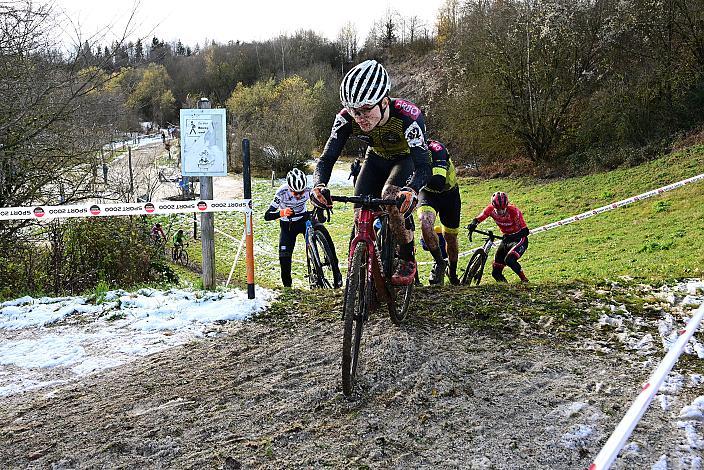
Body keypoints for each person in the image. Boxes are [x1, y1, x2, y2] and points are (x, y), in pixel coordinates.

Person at [310, 59, 431, 286]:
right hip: (375, 159)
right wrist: (318, 185)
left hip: (405, 160)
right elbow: (326, 158)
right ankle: (367, 265)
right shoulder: (346, 118)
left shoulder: (408, 116)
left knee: (389, 197)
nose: (360, 118)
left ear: (384, 102)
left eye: (366, 110)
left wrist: (412, 190)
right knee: (360, 215)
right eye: (355, 111)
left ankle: (406, 257)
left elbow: (425, 166)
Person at [265, 168, 342, 288]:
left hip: (304, 218)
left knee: (324, 232)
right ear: (289, 188)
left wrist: (323, 208)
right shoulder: (281, 193)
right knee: (284, 258)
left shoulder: (309, 189)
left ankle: (336, 272)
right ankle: (288, 287)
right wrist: (282, 212)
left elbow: (320, 201)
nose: (299, 196)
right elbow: (267, 215)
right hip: (288, 226)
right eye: (295, 193)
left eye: (301, 193)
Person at [418, 139, 461, 285]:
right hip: (427, 194)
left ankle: (453, 273)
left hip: (449, 194)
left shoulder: (436, 149)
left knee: (450, 237)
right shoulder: (404, 151)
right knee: (425, 224)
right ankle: (439, 262)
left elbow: (438, 182)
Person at [468, 191, 530, 283]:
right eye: (498, 209)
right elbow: (480, 217)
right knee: (496, 272)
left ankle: (525, 281)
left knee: (510, 260)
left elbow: (525, 231)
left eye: (503, 209)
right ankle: (506, 288)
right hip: (506, 239)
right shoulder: (490, 209)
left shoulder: (513, 211)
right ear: (493, 206)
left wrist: (512, 237)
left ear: (506, 205)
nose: (501, 212)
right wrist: (473, 224)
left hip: (519, 239)